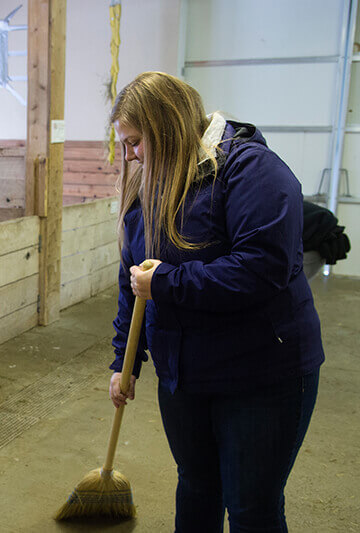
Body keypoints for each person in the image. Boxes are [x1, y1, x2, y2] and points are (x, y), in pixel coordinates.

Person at [107, 72, 323, 533]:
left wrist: (167, 283)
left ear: (166, 127)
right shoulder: (148, 186)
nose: (130, 157)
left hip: (262, 375)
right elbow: (134, 283)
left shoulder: (253, 172)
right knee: (197, 487)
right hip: (184, 376)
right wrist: (124, 362)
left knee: (251, 506)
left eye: (136, 142)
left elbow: (261, 268)